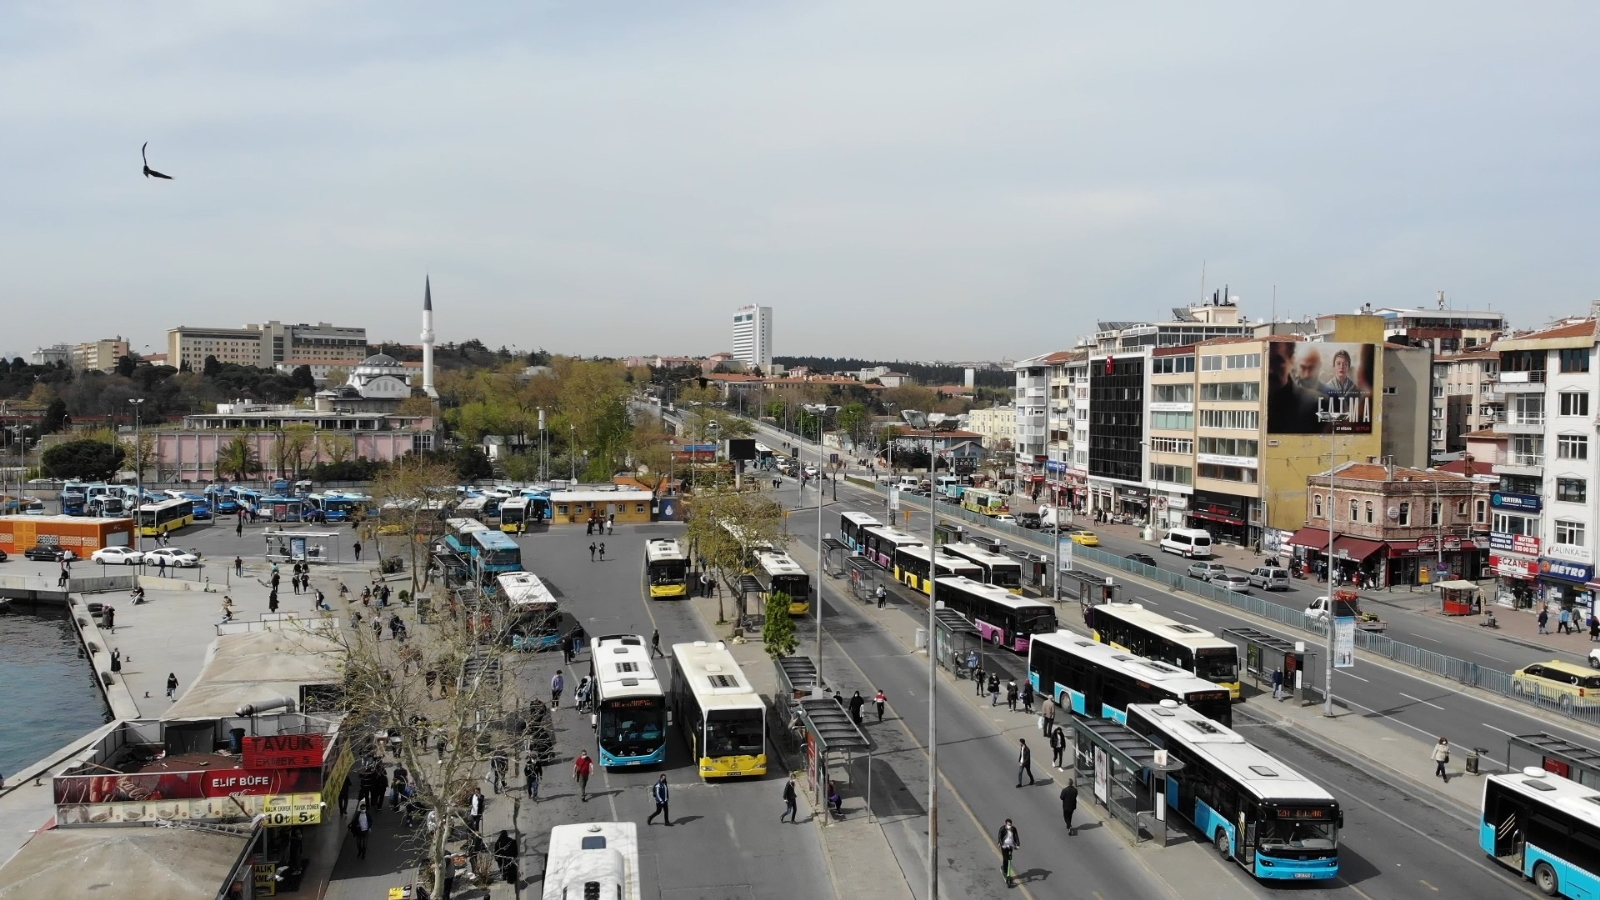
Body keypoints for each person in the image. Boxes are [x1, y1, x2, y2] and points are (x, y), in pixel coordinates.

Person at [997, 818, 1021, 888]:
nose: (1009, 826)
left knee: (1009, 859)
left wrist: (1018, 844)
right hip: (1004, 845)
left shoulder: (1014, 829)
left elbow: (1016, 837)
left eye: (1010, 825)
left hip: (1011, 845)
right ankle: (1005, 871)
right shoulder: (1002, 829)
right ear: (1005, 823)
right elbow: (1000, 837)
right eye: (1008, 825)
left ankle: (1008, 872)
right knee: (1005, 858)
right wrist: (1001, 844)